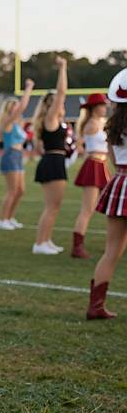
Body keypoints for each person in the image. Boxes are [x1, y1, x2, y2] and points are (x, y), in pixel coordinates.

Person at [87, 69, 127, 320]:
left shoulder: (113, 126)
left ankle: (96, 305)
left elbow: (113, 159)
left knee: (111, 250)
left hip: (120, 181)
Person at [32, 57, 68, 255]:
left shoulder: (54, 120)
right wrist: (63, 67)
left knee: (54, 206)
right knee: (52, 206)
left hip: (54, 161)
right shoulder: (51, 118)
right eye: (57, 102)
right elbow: (61, 93)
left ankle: (46, 241)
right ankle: (40, 243)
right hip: (53, 162)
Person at [71, 93, 110, 258]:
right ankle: (77, 247)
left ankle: (112, 244)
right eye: (102, 105)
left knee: (110, 209)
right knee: (87, 209)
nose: (105, 107)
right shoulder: (92, 124)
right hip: (94, 165)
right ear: (94, 108)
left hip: (102, 165)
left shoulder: (101, 123)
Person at [0, 79, 34, 230]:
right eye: (14, 107)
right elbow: (23, 106)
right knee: (12, 191)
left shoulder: (17, 124)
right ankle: (2, 220)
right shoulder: (7, 121)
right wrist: (29, 88)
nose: (18, 109)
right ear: (9, 109)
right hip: (10, 155)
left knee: (20, 190)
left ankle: (9, 218)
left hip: (17, 156)